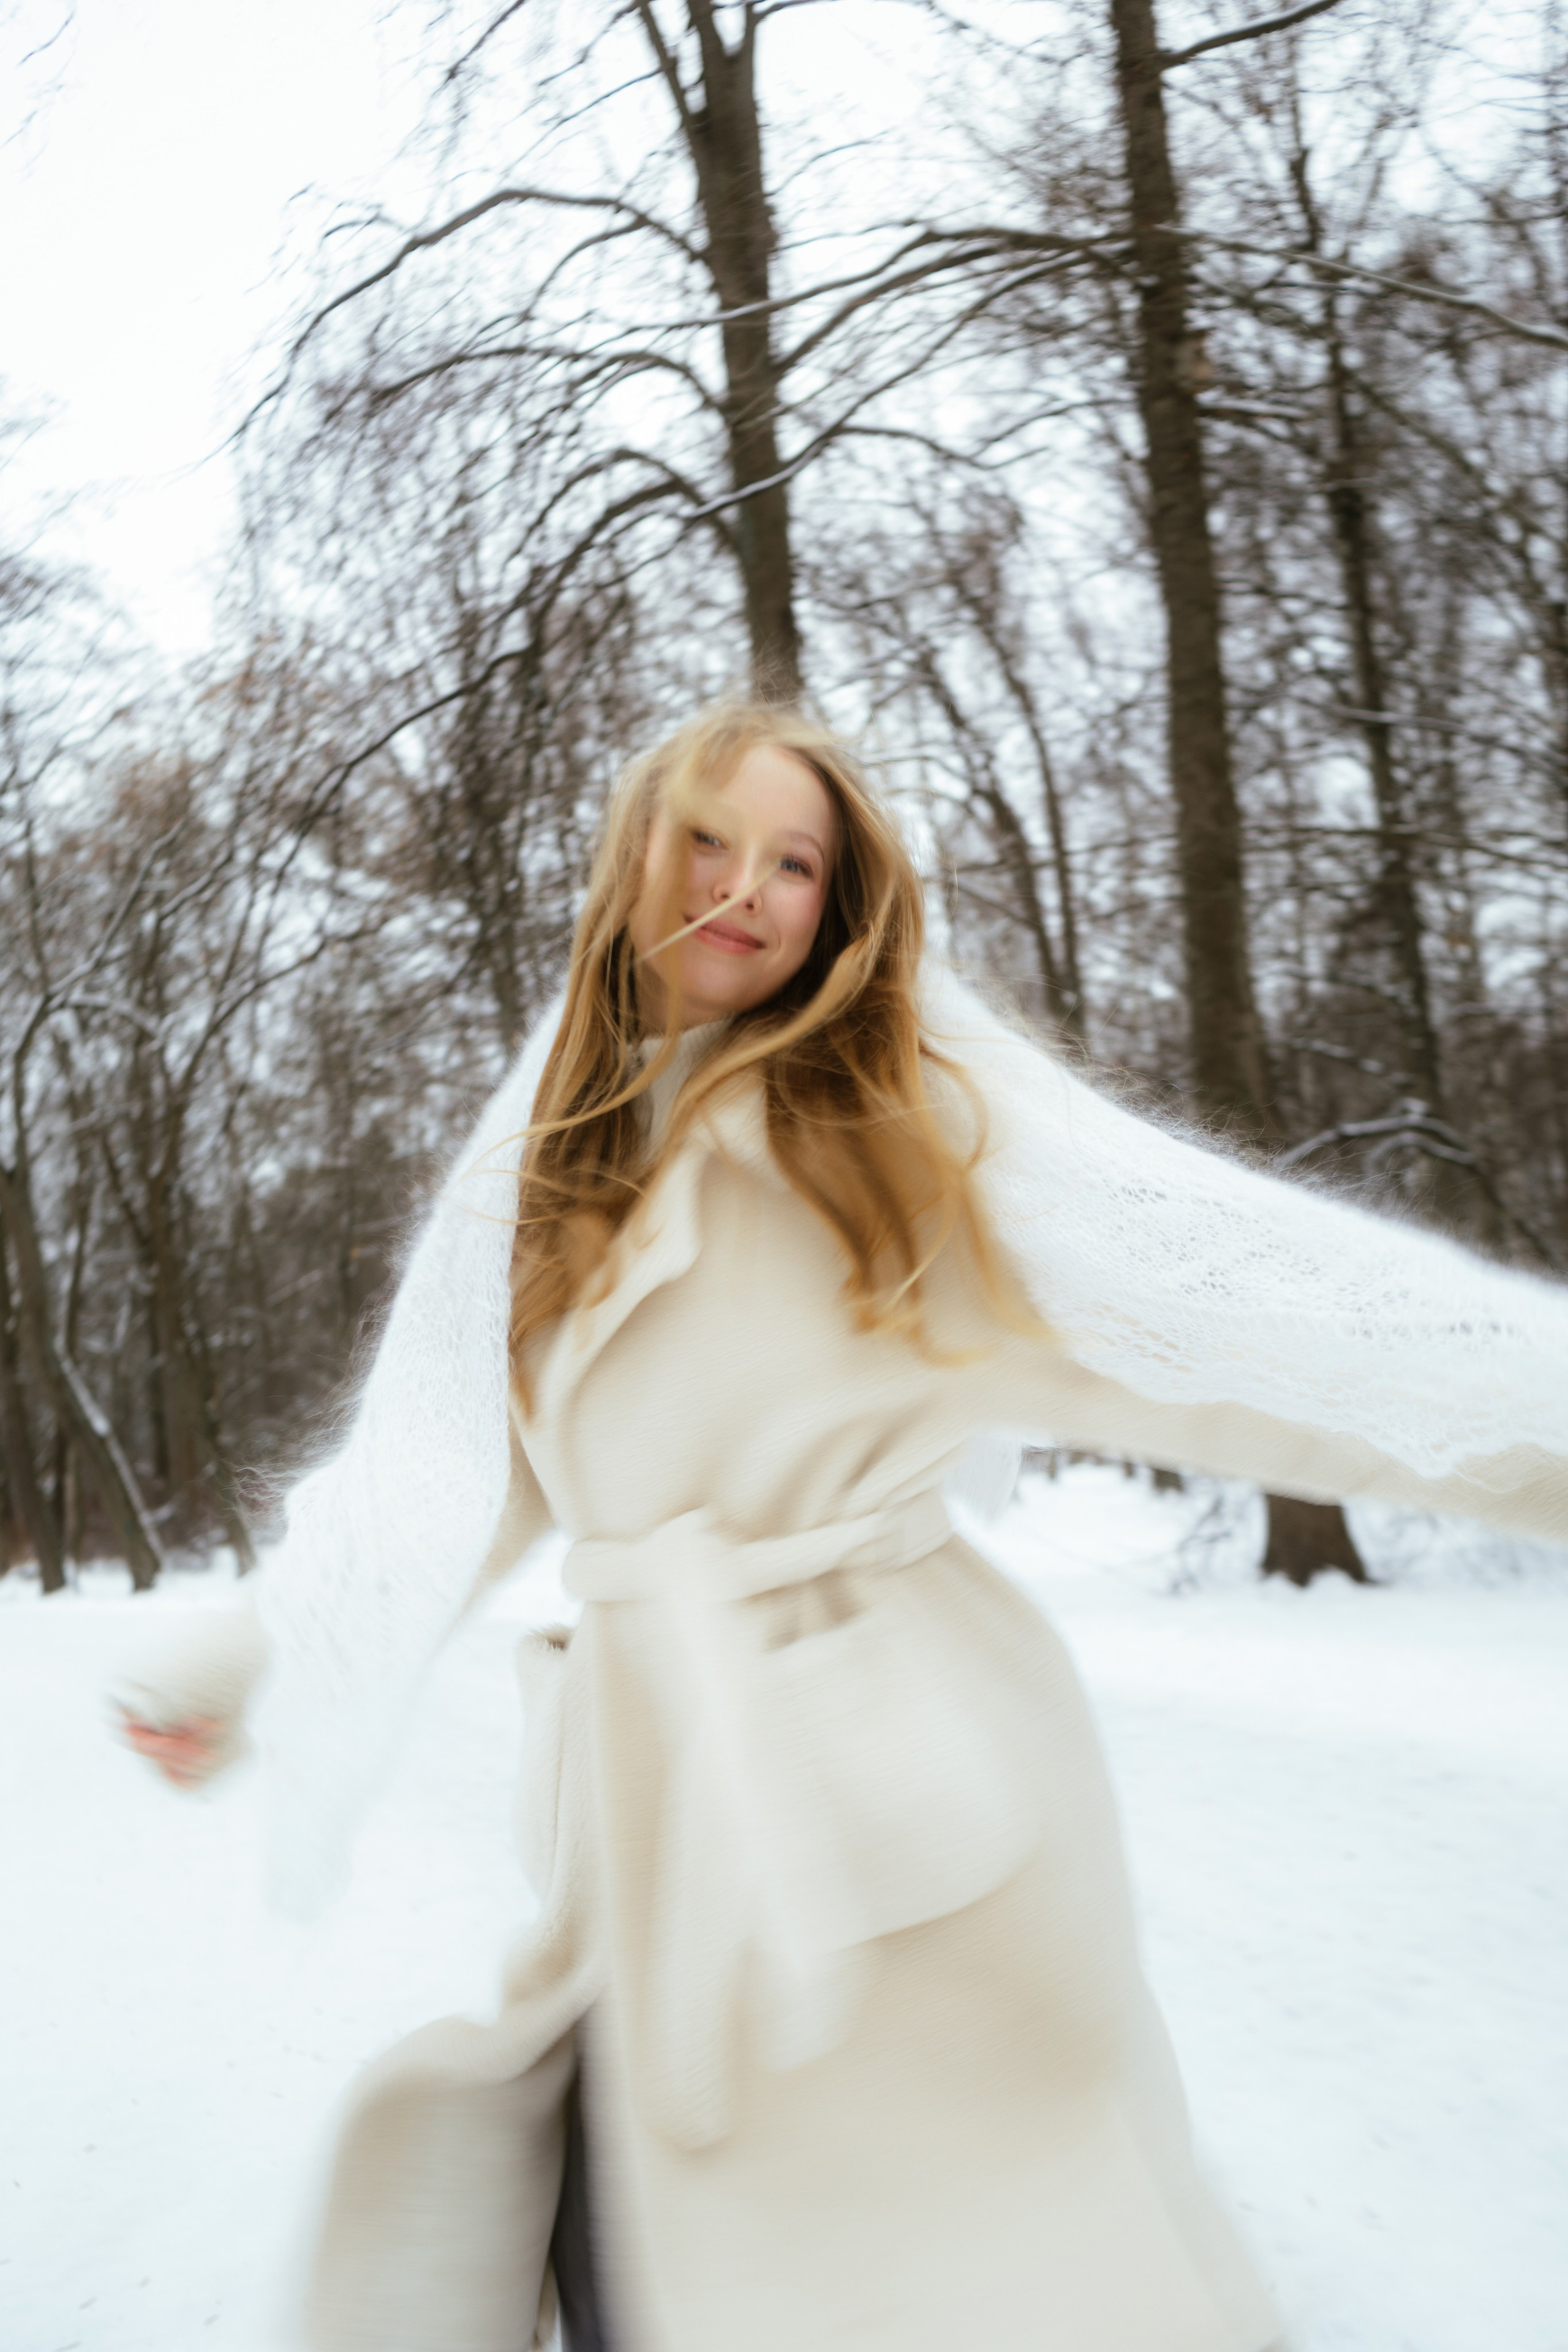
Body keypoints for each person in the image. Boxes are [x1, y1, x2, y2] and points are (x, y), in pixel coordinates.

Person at [120, 701, 1568, 2352]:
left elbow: (1272, 1343)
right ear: (637, 857)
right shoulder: (549, 1175)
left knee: (962, 2288)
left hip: (900, 1832)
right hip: (655, 1823)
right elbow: (438, 1482)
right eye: (709, 839)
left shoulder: (908, 1135)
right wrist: (239, 1669)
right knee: (650, 2265)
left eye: (794, 862)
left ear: (841, 905)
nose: (745, 887)